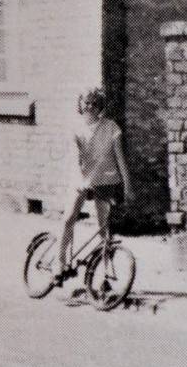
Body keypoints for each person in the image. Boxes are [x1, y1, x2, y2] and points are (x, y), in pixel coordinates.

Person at [55, 87, 134, 281]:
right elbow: (75, 157)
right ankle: (59, 263)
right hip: (81, 179)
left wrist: (128, 185)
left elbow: (120, 158)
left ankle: (106, 274)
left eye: (95, 103)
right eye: (86, 102)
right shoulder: (76, 128)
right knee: (68, 218)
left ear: (100, 106)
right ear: (80, 105)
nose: (90, 106)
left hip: (105, 180)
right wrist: (81, 181)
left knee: (103, 227)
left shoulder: (111, 127)